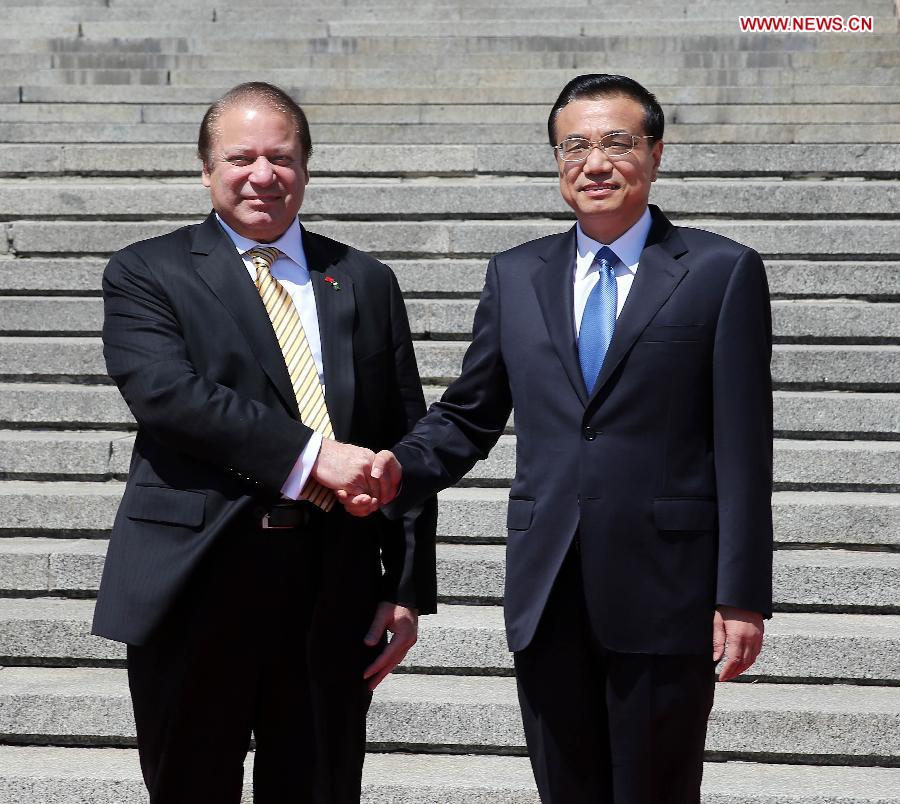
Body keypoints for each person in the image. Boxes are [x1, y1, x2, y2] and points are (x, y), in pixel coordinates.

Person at [366, 74, 773, 804]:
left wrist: (741, 594)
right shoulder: (517, 274)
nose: (595, 162)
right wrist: (399, 466)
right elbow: (470, 412)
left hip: (667, 588)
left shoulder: (721, 271)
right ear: (557, 162)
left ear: (654, 153)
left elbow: (744, 445)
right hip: (547, 585)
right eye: (575, 146)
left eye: (617, 142)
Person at [91, 81, 437, 804]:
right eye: (240, 157)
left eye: (280, 157)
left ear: (305, 169)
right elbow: (169, 396)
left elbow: (404, 438)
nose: (262, 174)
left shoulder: (364, 280)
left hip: (330, 587)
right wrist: (315, 456)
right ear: (207, 169)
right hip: (196, 584)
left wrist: (404, 590)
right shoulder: (146, 271)